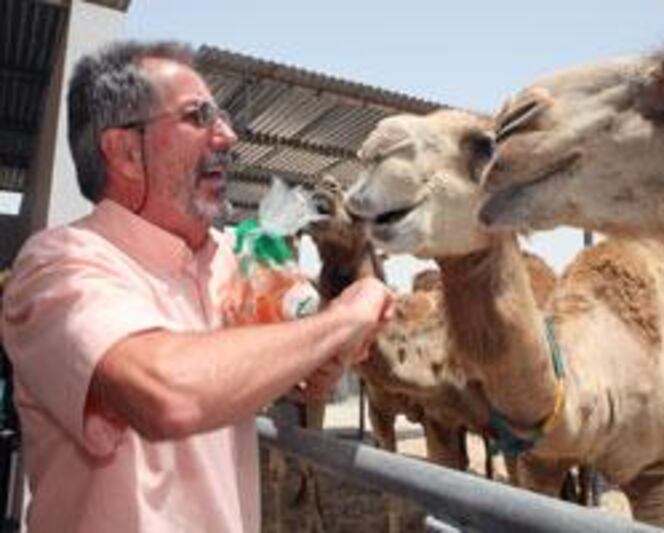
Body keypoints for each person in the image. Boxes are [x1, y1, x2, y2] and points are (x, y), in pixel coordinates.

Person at [0, 40, 393, 533]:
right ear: (125, 152)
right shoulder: (57, 266)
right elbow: (165, 394)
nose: (227, 137)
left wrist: (333, 343)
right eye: (198, 117)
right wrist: (342, 320)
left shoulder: (232, 262)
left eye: (223, 118)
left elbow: (307, 372)